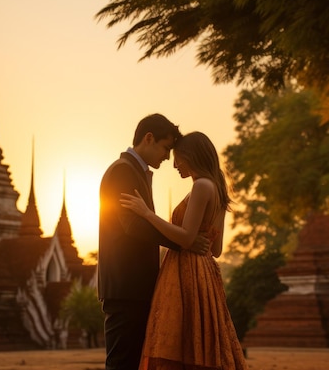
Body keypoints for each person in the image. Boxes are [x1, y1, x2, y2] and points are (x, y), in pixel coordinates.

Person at [120, 131, 248, 370]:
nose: (175, 164)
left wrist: (147, 214)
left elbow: (187, 238)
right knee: (199, 344)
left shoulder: (201, 186)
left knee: (180, 343)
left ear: (192, 156)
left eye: (178, 158)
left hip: (186, 272)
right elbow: (216, 249)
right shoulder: (218, 189)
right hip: (206, 274)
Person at [98, 114, 208, 370]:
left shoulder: (135, 171)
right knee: (122, 363)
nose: (168, 157)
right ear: (148, 138)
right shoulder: (122, 171)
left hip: (136, 286)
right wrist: (184, 241)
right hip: (125, 285)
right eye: (166, 148)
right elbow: (132, 225)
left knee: (134, 361)